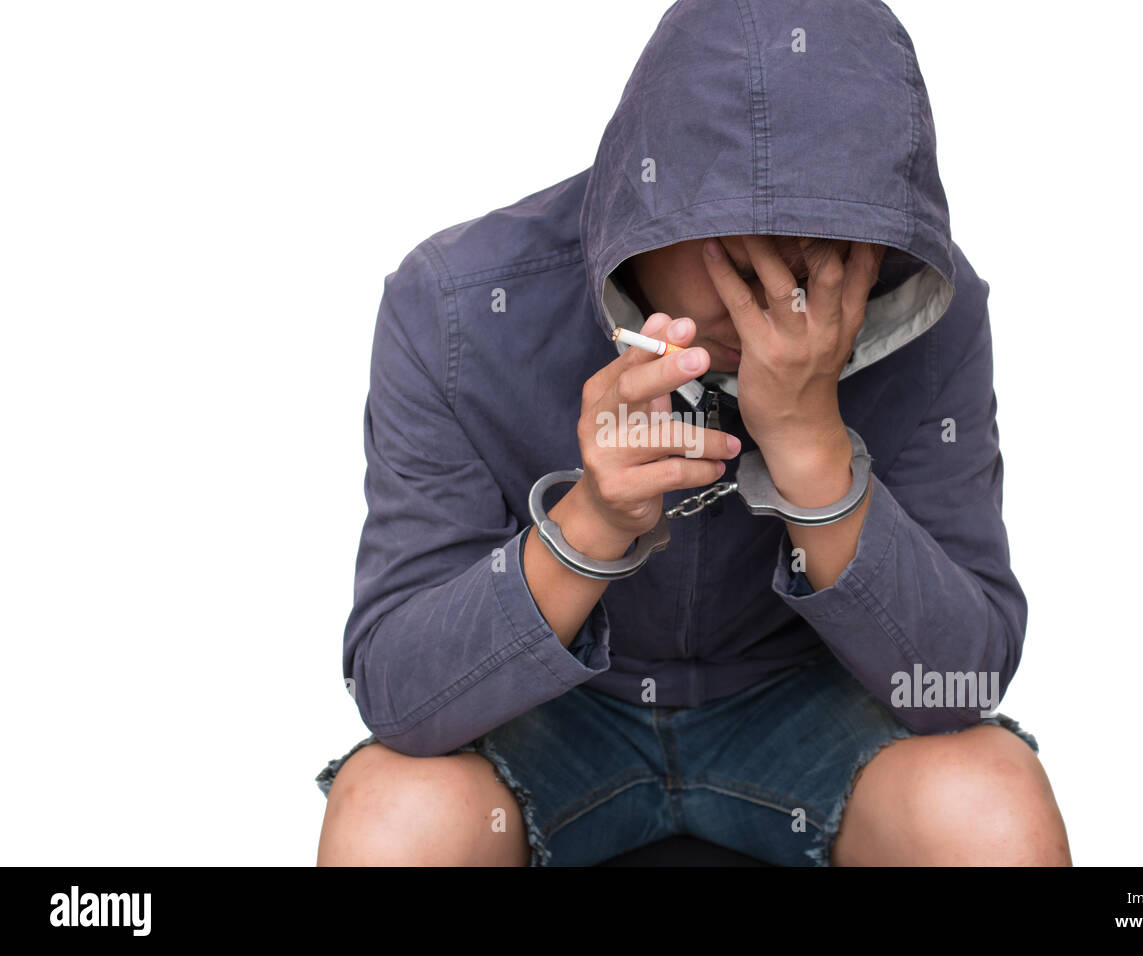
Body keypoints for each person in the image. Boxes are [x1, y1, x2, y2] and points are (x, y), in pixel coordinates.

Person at [315, 0, 1071, 866]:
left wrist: (812, 455)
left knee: (991, 803)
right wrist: (588, 526)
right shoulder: (454, 304)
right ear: (653, 205)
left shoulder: (928, 310)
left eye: (816, 259)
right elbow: (400, 698)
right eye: (740, 264)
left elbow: (957, 686)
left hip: (806, 713)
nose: (778, 312)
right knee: (391, 814)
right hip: (547, 722)